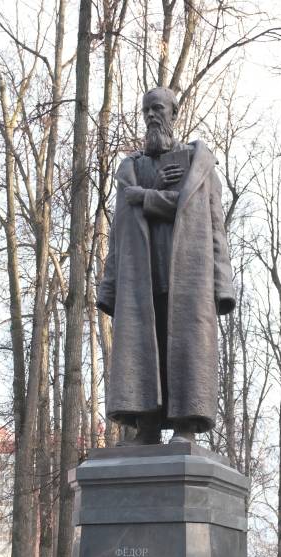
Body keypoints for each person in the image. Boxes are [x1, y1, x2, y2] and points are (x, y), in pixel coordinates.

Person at [97, 86, 235, 444]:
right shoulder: (133, 167)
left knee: (186, 350)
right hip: (141, 277)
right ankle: (147, 424)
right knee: (145, 347)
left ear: (174, 113)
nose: (151, 116)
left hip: (188, 278)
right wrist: (109, 287)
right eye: (146, 111)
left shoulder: (197, 165)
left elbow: (215, 225)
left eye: (157, 109)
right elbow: (118, 233)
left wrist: (223, 285)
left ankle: (185, 425)